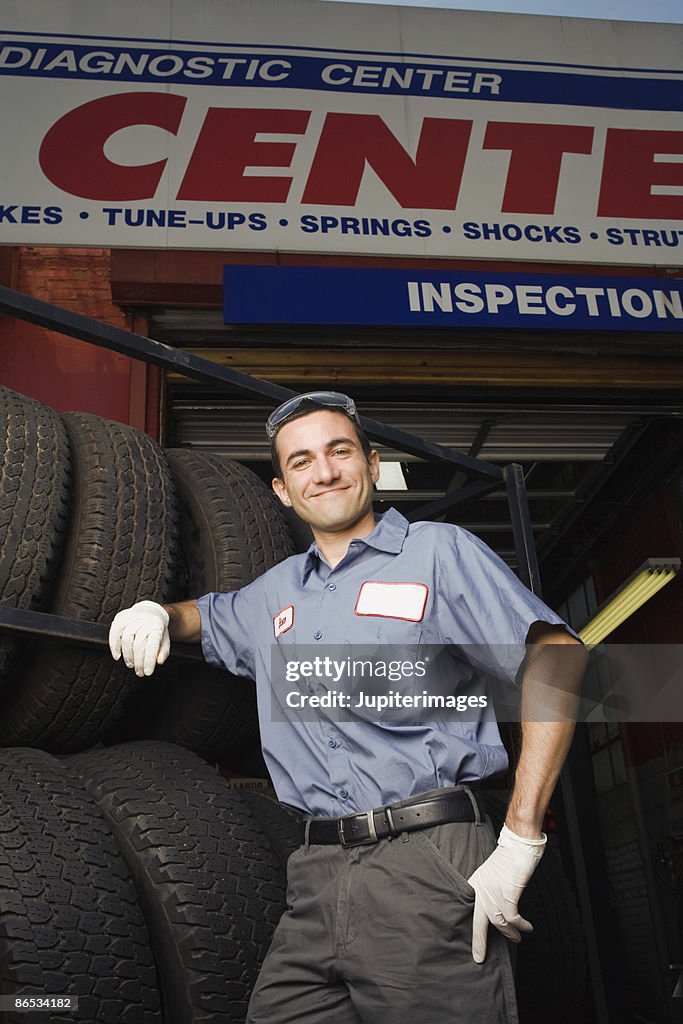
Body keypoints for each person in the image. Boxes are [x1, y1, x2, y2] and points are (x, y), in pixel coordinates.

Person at [109, 391, 586, 1024]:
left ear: (373, 462)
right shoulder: (275, 593)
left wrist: (523, 834)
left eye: (339, 451)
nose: (324, 471)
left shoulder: (437, 553)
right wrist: (160, 612)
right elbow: (208, 614)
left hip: (428, 863)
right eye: (302, 461)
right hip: (313, 874)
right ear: (282, 491)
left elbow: (558, 656)